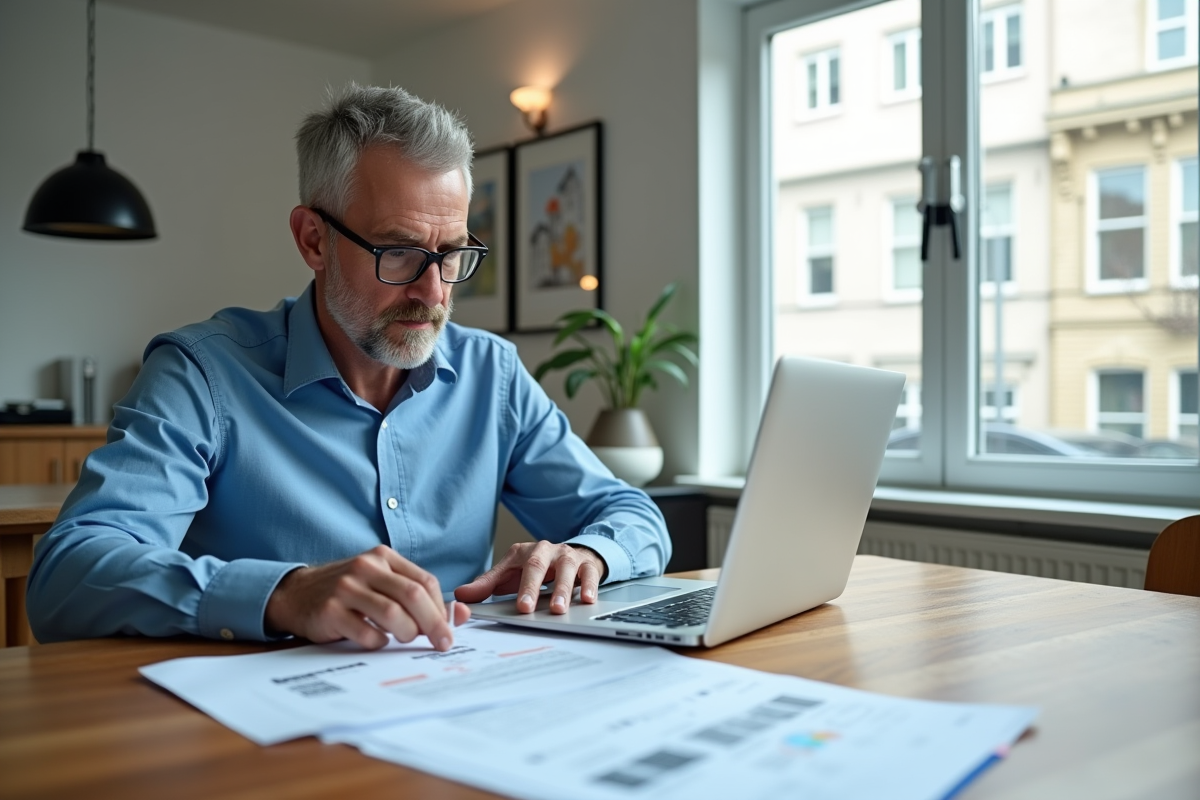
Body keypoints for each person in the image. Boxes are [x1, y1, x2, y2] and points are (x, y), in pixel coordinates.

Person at [26, 84, 671, 652]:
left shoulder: (491, 375)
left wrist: (587, 554)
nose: (434, 293)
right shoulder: (203, 375)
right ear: (313, 240)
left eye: (451, 255)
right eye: (398, 253)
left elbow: (635, 517)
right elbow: (66, 578)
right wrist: (285, 594)